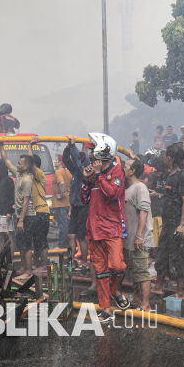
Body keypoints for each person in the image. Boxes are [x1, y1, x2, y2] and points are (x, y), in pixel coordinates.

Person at [81, 133, 129, 323]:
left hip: (112, 228)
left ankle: (115, 290)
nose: (89, 155)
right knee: (100, 271)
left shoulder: (117, 172)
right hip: (94, 230)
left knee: (118, 265)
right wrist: (86, 180)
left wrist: (99, 175)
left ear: (102, 152)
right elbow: (83, 199)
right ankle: (106, 309)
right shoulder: (92, 174)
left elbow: (112, 193)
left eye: (92, 151)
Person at [152, 143, 184, 299]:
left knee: (179, 256)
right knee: (162, 254)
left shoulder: (183, 176)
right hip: (167, 223)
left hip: (177, 224)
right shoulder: (170, 175)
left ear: (169, 158)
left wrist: (182, 225)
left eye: (164, 156)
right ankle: (159, 287)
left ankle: (180, 292)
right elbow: (171, 198)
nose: (163, 159)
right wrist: (158, 194)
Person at [0, 143, 35, 281]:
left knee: (26, 245)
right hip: (20, 216)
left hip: (28, 217)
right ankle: (22, 268)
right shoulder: (19, 176)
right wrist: (1, 146)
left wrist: (20, 220)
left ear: (26, 166)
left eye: (20, 163)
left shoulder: (27, 180)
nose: (18, 165)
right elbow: (6, 161)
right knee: (20, 243)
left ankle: (28, 271)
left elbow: (26, 201)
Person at [63, 136, 93, 295]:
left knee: (82, 236)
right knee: (71, 235)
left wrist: (74, 146)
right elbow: (67, 160)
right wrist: (68, 147)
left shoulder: (85, 172)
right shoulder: (75, 172)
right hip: (75, 207)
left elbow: (76, 160)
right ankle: (71, 262)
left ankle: (86, 263)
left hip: (83, 207)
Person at [123, 158, 154, 311]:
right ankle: (137, 299)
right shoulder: (128, 189)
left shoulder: (140, 187)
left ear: (132, 171)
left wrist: (139, 235)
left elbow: (144, 211)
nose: (123, 168)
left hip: (140, 240)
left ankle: (145, 304)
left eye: (126, 166)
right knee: (134, 272)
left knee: (141, 272)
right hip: (130, 240)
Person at [27, 135, 50, 272]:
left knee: (41, 240)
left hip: (42, 211)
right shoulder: (31, 177)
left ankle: (43, 266)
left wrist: (31, 145)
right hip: (36, 212)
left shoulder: (39, 174)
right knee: (35, 240)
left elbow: (31, 163)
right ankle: (35, 265)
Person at [53, 156, 72, 250]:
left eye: (56, 160)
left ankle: (61, 245)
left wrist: (61, 195)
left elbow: (61, 183)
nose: (54, 161)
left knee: (63, 225)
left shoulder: (58, 172)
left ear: (60, 162)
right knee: (66, 224)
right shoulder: (68, 173)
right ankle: (66, 243)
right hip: (67, 203)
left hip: (61, 204)